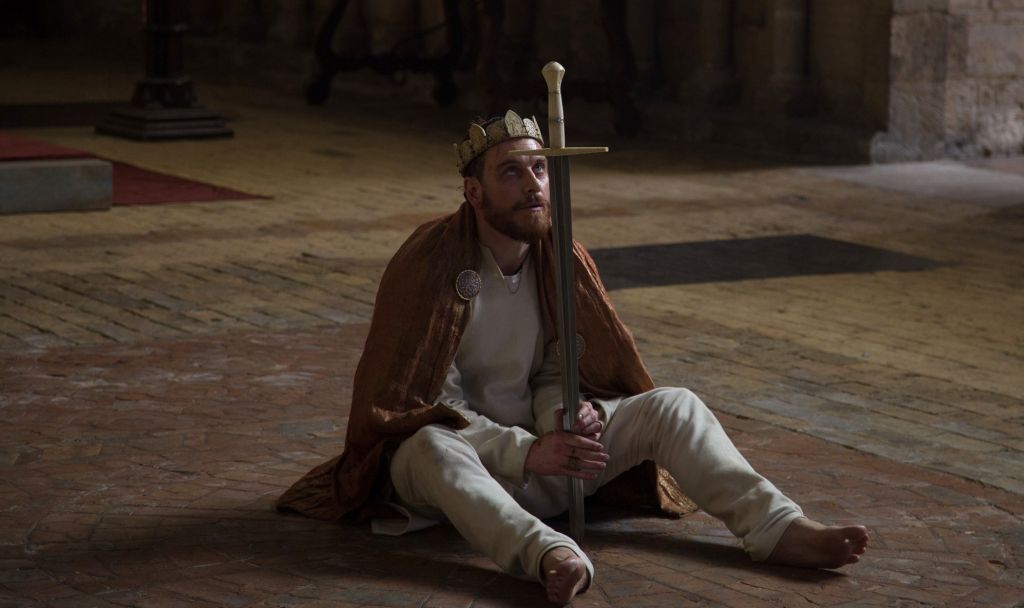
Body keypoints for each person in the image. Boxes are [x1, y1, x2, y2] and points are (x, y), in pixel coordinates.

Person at [278, 111, 869, 605]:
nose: (533, 184)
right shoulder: (430, 263)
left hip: (546, 457)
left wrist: (563, 413)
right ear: (474, 192)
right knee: (431, 445)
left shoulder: (560, 257)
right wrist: (525, 451)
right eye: (512, 172)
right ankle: (547, 553)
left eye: (540, 168)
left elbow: (553, 368)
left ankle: (777, 528)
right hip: (451, 474)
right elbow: (425, 403)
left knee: (674, 406)